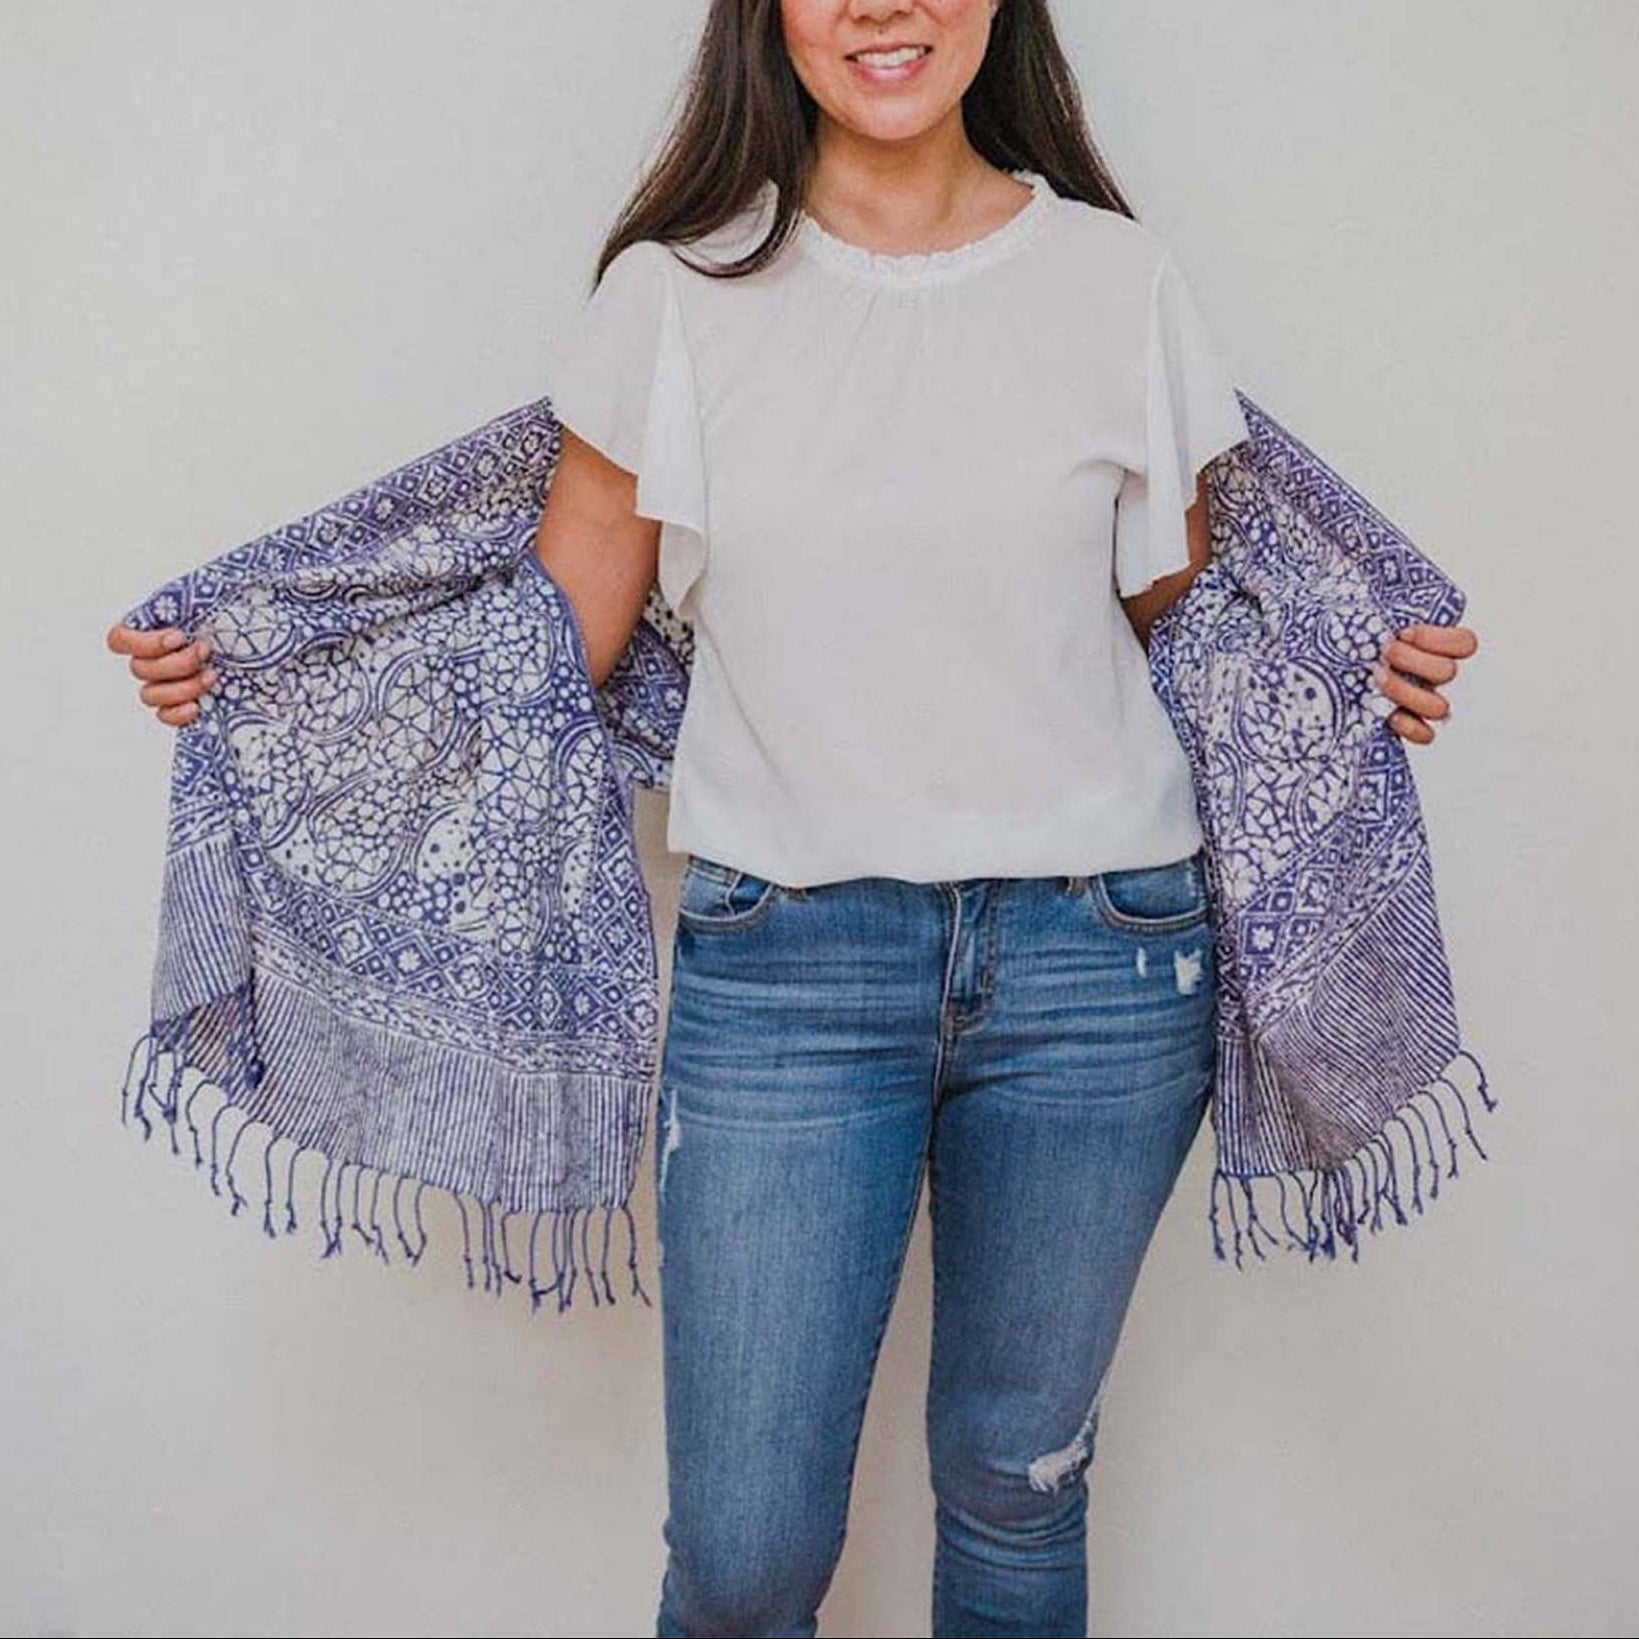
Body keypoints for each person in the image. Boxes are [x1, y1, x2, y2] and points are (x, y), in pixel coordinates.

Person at [106, 3, 1479, 1634]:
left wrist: (1345, 665)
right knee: (748, 1559)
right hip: (787, 974)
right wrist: (273, 669)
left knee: (1015, 1484)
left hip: (1106, 964)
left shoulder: (1117, 279)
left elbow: (1180, 617)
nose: (885, 7)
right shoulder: (673, 296)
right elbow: (549, 638)